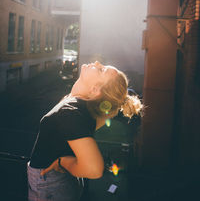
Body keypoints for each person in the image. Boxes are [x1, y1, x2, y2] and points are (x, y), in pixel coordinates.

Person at [27, 61, 143, 201]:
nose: (97, 62)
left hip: (50, 187)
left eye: (101, 70)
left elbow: (94, 169)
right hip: (57, 184)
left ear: (95, 90)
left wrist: (62, 162)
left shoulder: (71, 112)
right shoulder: (82, 107)